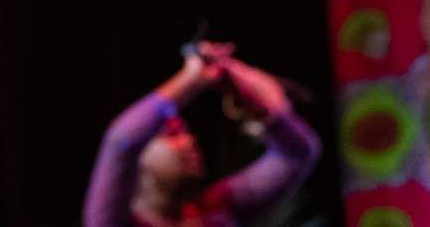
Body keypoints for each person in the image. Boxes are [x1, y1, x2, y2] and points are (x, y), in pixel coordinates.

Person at [83, 42, 322, 227]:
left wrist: (248, 97)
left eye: (185, 132)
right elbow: (122, 140)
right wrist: (193, 79)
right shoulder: (112, 220)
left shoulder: (218, 209)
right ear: (139, 159)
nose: (188, 141)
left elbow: (297, 155)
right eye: (172, 135)